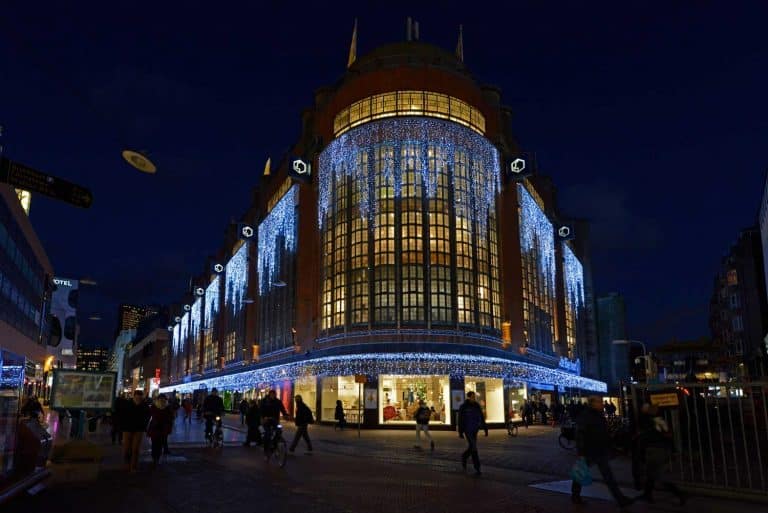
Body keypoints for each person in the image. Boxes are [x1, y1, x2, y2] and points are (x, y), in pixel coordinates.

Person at [571, 395, 633, 507]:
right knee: (581, 474)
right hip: (589, 451)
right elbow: (580, 435)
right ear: (592, 403)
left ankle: (620, 498)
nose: (602, 404)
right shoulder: (586, 416)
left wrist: (609, 445)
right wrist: (581, 453)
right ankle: (575, 495)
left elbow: (603, 432)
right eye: (599, 402)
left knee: (608, 476)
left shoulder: (598, 415)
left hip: (599, 450)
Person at [636, 403, 686, 505]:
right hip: (662, 449)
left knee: (658, 476)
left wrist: (642, 452)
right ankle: (647, 495)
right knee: (652, 475)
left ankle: (678, 493)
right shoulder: (660, 420)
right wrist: (672, 450)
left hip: (654, 450)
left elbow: (644, 437)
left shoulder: (648, 421)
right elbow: (668, 435)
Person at [458, 391, 487, 476]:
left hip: (475, 429)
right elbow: (460, 420)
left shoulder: (476, 406)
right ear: (469, 397)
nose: (474, 398)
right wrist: (460, 431)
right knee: (474, 447)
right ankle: (477, 468)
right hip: (467, 430)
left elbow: (481, 416)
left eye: (475, 397)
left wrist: (485, 428)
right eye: (473, 397)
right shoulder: (463, 407)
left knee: (471, 447)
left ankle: (464, 456)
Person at [122, 390, 150, 472]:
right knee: (127, 448)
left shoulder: (144, 405)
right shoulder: (127, 404)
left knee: (135, 449)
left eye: (140, 397)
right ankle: (127, 464)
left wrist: (144, 425)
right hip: (127, 428)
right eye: (137, 397)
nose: (138, 399)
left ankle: (133, 466)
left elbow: (148, 416)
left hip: (139, 429)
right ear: (134, 396)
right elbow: (122, 415)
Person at [147, 394, 174, 468]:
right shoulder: (154, 407)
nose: (162, 401)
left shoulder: (167, 408)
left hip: (163, 429)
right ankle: (154, 458)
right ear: (158, 399)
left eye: (163, 399)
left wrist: (169, 428)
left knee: (160, 444)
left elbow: (171, 419)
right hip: (155, 428)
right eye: (160, 399)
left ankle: (156, 458)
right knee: (154, 444)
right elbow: (149, 416)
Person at [260, 390, 289, 458]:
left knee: (279, 431)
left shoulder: (278, 401)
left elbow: (282, 408)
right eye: (271, 394)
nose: (273, 395)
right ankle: (266, 450)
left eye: (274, 394)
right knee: (268, 433)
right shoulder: (264, 401)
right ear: (269, 394)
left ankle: (274, 445)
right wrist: (263, 417)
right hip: (266, 421)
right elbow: (261, 410)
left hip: (275, 420)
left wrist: (285, 414)